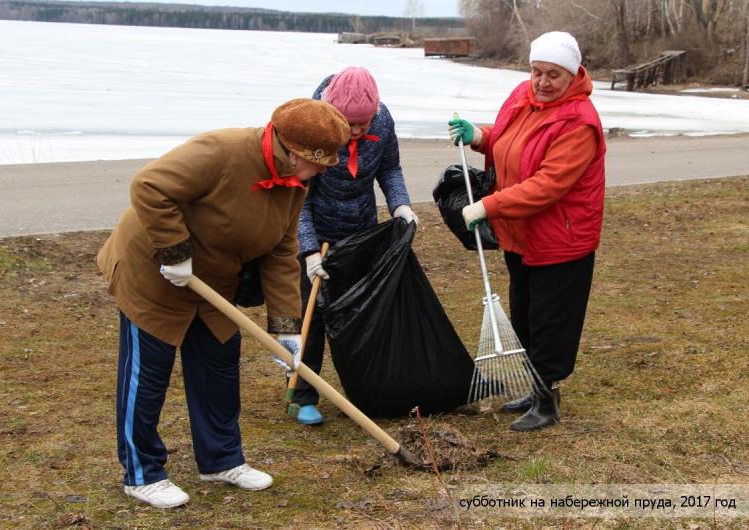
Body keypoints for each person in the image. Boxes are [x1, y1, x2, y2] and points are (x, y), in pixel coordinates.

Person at [96, 98, 349, 508]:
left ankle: (220, 460)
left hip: (213, 281)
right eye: (320, 162)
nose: (323, 171)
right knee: (149, 374)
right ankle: (141, 473)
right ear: (296, 152)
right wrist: (174, 253)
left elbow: (281, 253)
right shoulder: (222, 150)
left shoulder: (295, 183)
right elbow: (149, 186)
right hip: (154, 270)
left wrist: (286, 329)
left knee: (218, 366)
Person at [448, 31, 606, 432]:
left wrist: (488, 205)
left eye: (553, 74)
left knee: (552, 321)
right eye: (537, 71)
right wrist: (479, 136)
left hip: (562, 239)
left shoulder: (579, 122)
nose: (542, 82)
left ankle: (548, 401)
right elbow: (508, 141)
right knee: (526, 314)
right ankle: (534, 388)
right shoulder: (523, 96)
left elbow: (548, 185)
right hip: (521, 232)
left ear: (573, 75)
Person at [289, 66, 417, 426]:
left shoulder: (383, 120)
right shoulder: (310, 124)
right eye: (350, 124)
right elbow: (298, 194)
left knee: (359, 313)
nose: (358, 131)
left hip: (361, 231)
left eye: (365, 123)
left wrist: (401, 206)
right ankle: (301, 395)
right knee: (309, 317)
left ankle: (365, 387)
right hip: (315, 229)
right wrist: (310, 251)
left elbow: (390, 169)